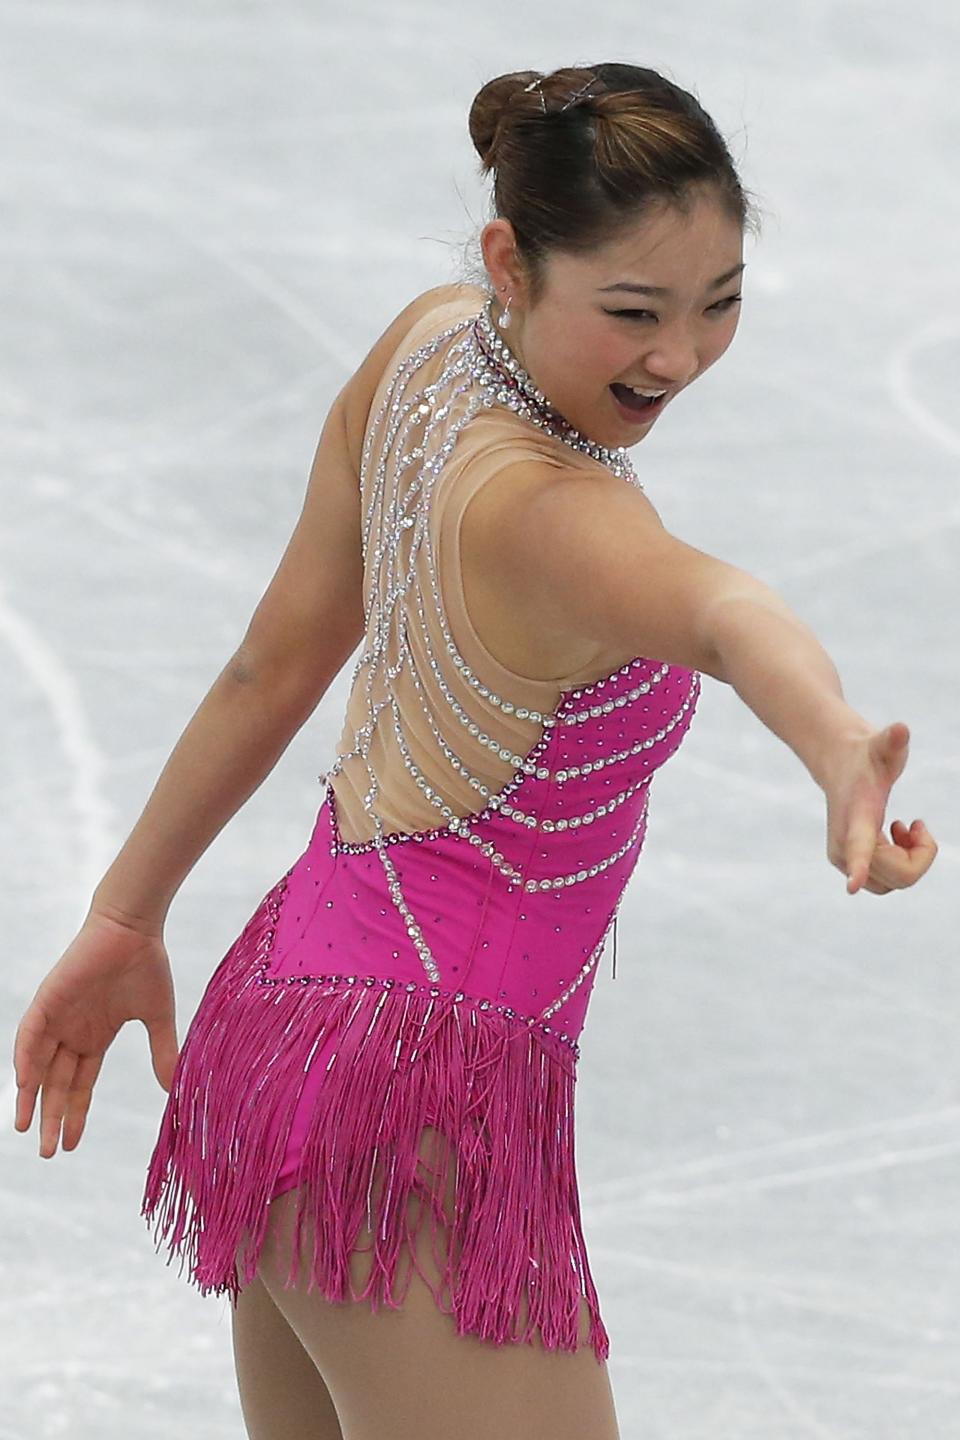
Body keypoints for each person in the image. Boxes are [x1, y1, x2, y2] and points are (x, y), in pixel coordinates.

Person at [12, 61, 937, 1440]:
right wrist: (836, 739)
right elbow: (726, 612)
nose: (676, 356)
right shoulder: (557, 516)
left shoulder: (425, 349)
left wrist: (124, 913)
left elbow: (274, 663)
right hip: (408, 1112)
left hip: (285, 1029)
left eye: (720, 302)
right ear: (511, 258)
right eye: (632, 312)